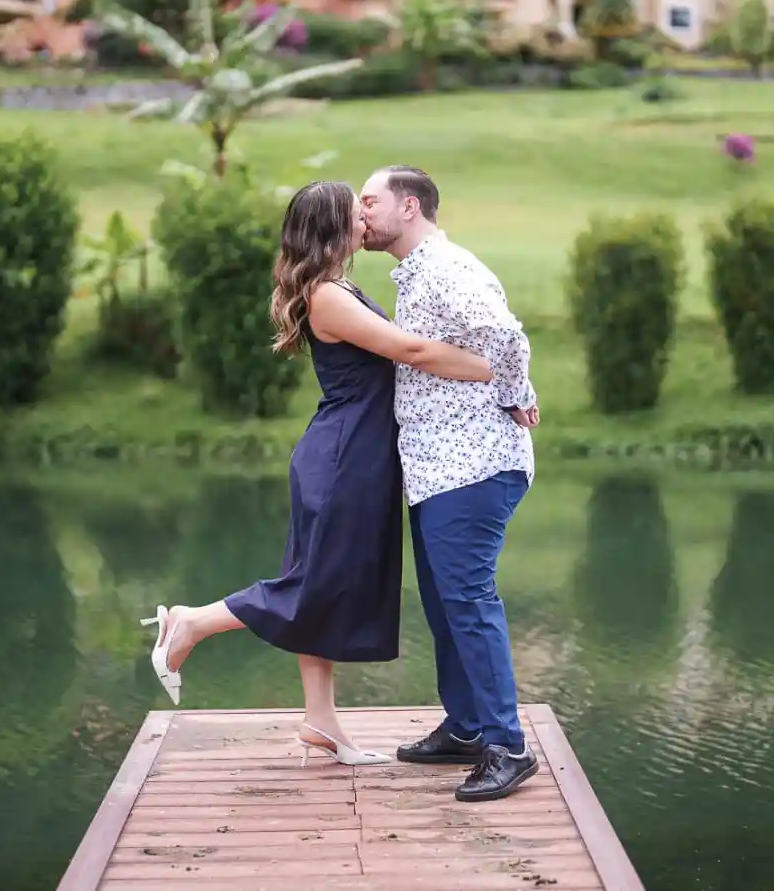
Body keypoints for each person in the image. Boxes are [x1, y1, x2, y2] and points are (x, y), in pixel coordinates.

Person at [141, 180, 495, 767]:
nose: (365, 215)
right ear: (334, 225)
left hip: (351, 456)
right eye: (355, 209)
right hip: (343, 460)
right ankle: (193, 622)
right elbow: (408, 351)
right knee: (315, 585)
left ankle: (322, 722)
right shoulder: (328, 295)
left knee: (323, 580)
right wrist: (495, 371)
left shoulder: (339, 286)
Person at [358, 164, 541, 804]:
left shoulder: (444, 268)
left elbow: (505, 335)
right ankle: (465, 728)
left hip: (473, 465)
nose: (360, 213)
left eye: (369, 201)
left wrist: (516, 392)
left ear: (409, 207)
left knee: (467, 600)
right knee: (443, 604)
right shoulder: (420, 273)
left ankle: (507, 747)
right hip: (438, 468)